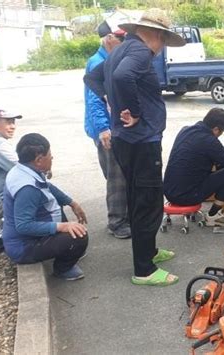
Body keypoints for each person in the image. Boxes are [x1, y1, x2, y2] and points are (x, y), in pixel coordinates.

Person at [84, 8, 186, 287]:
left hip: (127, 141)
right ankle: (144, 270)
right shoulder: (139, 52)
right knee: (148, 202)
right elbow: (121, 78)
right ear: (154, 34)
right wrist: (134, 111)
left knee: (138, 197)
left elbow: (92, 79)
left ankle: (150, 250)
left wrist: (114, 102)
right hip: (142, 142)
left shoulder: (119, 50)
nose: (161, 48)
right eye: (163, 40)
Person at [2, 133, 88, 281]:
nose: (52, 157)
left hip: (27, 237)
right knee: (80, 236)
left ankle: (65, 249)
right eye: (49, 154)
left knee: (56, 206)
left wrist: (72, 203)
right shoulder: (27, 189)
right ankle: (63, 269)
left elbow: (47, 187)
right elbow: (23, 226)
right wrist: (61, 227)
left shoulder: (24, 170)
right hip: (24, 247)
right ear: (39, 160)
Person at [84, 20, 130, 239]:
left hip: (117, 127)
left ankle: (125, 217)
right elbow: (94, 99)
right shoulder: (97, 62)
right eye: (120, 39)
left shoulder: (112, 58)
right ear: (109, 39)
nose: (123, 43)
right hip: (107, 130)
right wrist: (104, 128)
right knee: (116, 176)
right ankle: (117, 222)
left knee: (122, 173)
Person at [164, 108, 224, 226]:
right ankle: (213, 216)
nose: (219, 135)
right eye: (221, 132)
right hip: (187, 196)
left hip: (169, 191)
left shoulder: (185, 130)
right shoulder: (209, 141)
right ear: (216, 129)